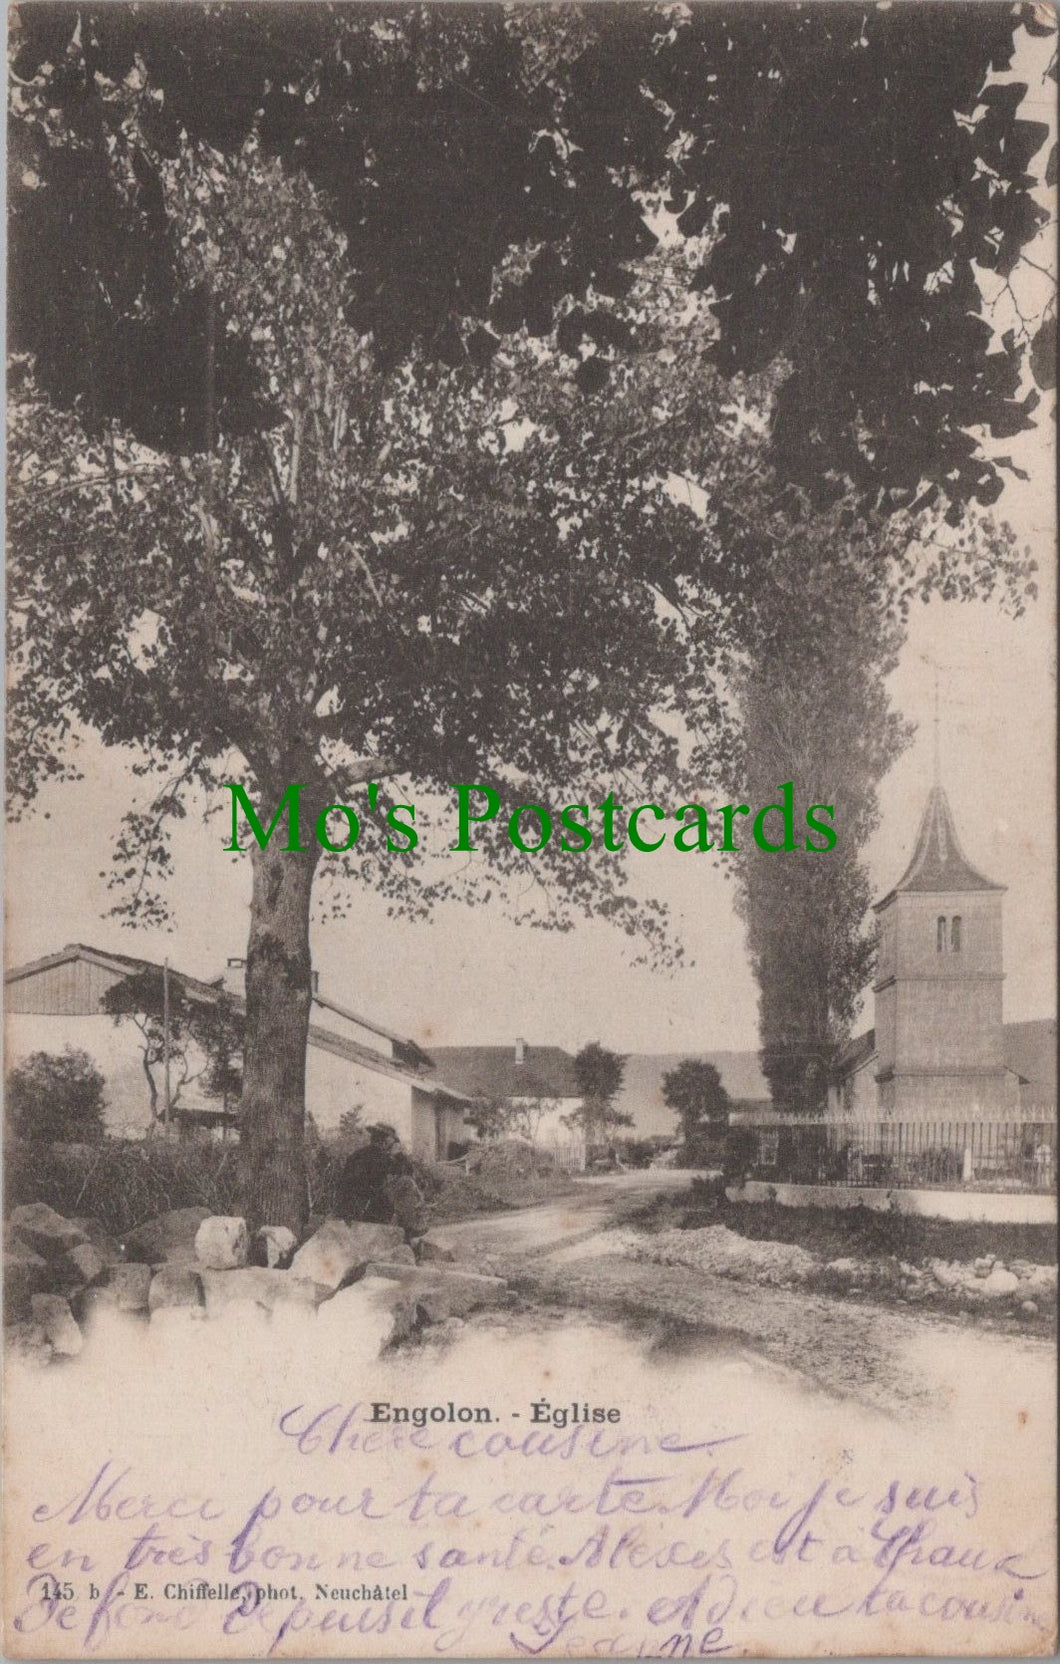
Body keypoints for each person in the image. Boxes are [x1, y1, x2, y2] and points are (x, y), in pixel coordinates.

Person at [337, 1123, 410, 1223]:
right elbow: (407, 1174)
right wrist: (399, 1155)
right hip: (366, 1213)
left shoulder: (357, 1155)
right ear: (386, 1141)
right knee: (405, 1184)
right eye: (393, 1142)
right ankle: (411, 1229)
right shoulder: (383, 1158)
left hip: (346, 1211)